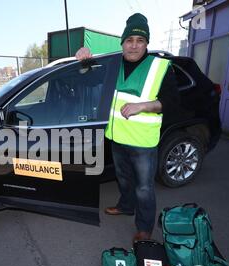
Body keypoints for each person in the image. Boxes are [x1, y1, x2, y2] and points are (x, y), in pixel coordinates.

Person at [76, 13, 180, 242]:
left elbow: (173, 102)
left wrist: (143, 105)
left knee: (144, 188)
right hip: (117, 137)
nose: (134, 45)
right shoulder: (112, 65)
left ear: (146, 43)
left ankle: (144, 229)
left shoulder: (161, 67)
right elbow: (89, 81)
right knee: (123, 178)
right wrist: (84, 61)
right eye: (129, 40)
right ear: (122, 42)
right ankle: (125, 206)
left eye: (139, 40)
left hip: (143, 142)